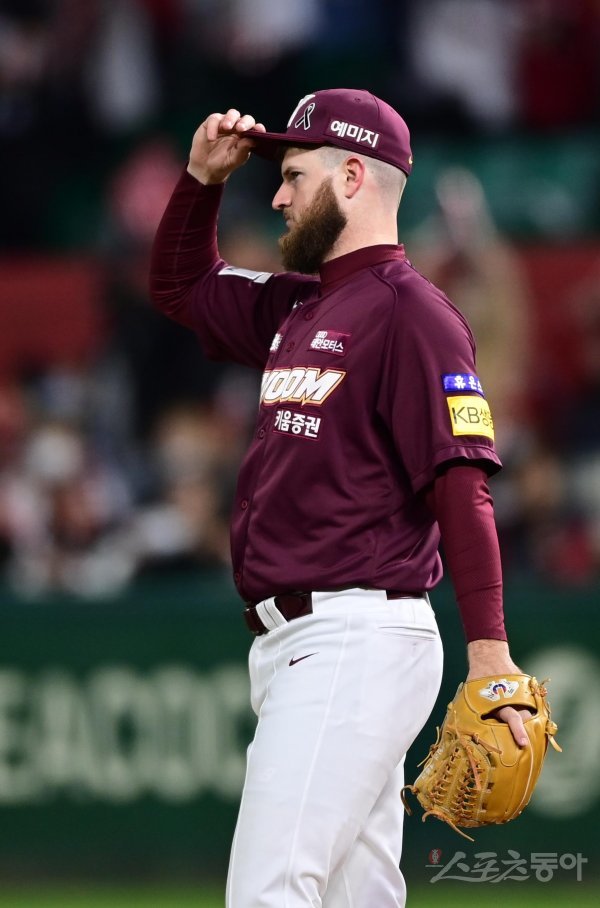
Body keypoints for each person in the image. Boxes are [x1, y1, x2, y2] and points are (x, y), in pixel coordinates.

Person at [150, 88, 530, 908]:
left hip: (354, 636)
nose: (278, 197)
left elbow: (461, 485)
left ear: (353, 176)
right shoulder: (298, 304)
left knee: (269, 890)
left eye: (293, 175)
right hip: (308, 641)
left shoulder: (413, 314)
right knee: (359, 896)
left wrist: (491, 651)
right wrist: (201, 181)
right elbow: (181, 288)